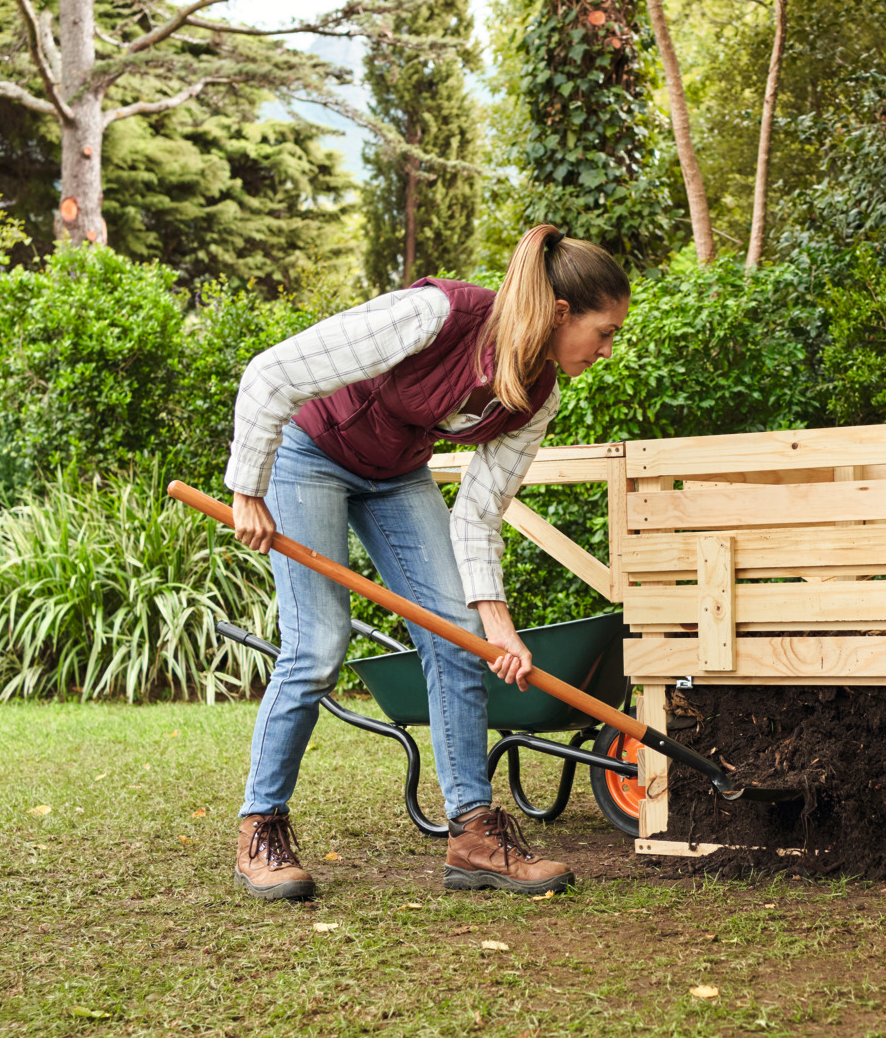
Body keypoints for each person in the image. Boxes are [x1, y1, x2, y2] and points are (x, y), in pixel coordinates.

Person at [221, 224, 629, 901]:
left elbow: (477, 512)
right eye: (604, 331)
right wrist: (247, 489)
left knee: (456, 639)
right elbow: (272, 373)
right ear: (561, 314)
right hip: (311, 455)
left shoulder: (539, 395)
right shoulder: (436, 317)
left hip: (396, 475)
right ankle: (261, 828)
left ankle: (474, 837)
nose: (607, 349)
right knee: (318, 644)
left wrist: (494, 624)